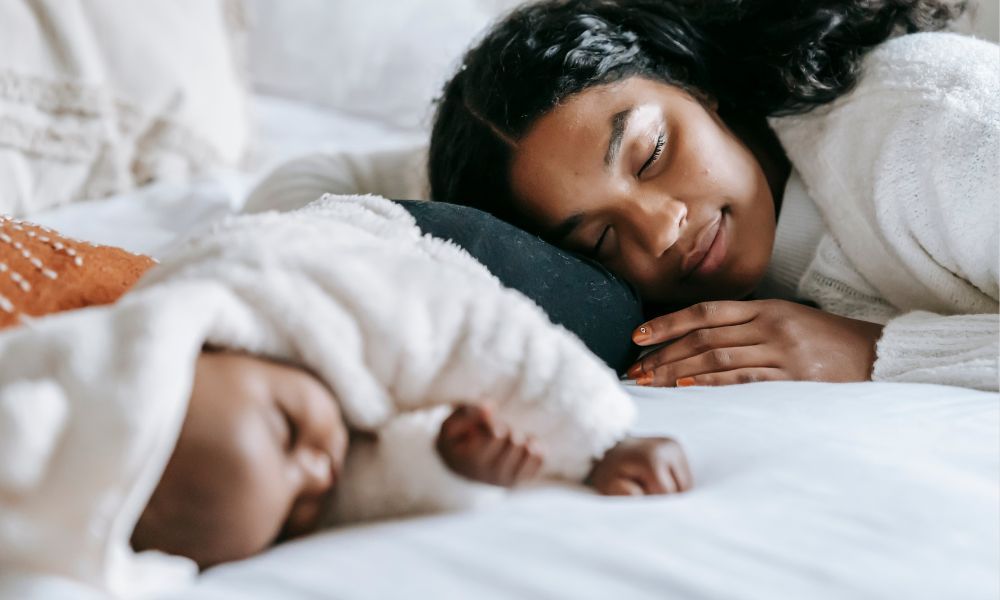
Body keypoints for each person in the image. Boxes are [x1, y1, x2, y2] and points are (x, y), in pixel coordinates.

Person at [0, 211, 692, 578]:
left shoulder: (323, 297)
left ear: (208, 347)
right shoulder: (261, 455)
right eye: (299, 514)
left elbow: (490, 335)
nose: (322, 468)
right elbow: (367, 485)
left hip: (406, 240)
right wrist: (451, 462)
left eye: (288, 430)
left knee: (614, 311)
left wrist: (603, 441)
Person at [428, 0, 998, 391]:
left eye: (651, 154)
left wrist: (873, 351)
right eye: (602, 240)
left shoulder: (930, 126)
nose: (660, 230)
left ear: (694, 85)